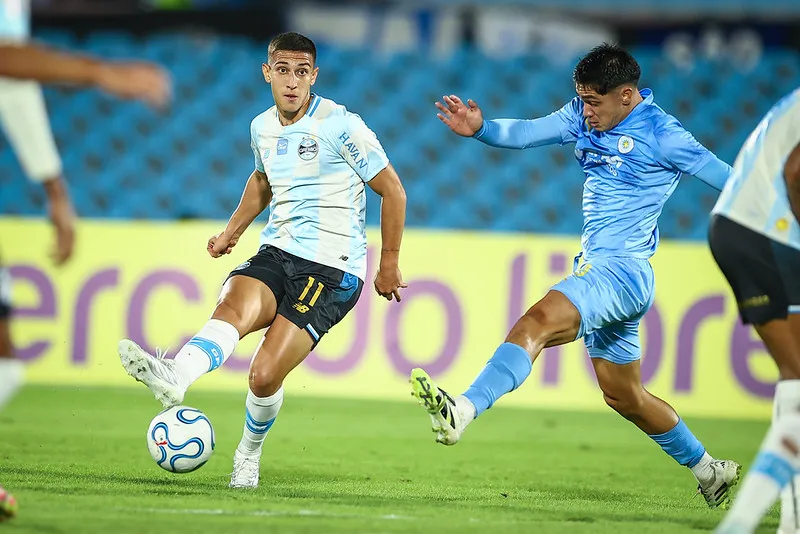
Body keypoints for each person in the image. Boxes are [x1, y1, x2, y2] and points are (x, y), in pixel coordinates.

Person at [410, 43, 740, 508]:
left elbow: (733, 182)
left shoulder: (665, 135)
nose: (585, 112)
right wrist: (481, 129)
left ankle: (462, 409)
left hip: (621, 272)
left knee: (536, 322)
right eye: (582, 99)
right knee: (625, 397)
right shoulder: (581, 115)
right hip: (600, 270)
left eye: (593, 102)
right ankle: (709, 470)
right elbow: (526, 133)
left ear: (626, 96)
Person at [117, 32, 407, 489]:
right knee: (233, 305)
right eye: (283, 70)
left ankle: (247, 456)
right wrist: (230, 233)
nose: (292, 82)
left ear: (314, 76)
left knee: (264, 374)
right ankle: (177, 375)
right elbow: (262, 181)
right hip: (278, 250)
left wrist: (388, 261)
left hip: (332, 268)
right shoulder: (261, 127)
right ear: (266, 72)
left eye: (301, 72)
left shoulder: (341, 125)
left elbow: (392, 190)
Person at [709, 88, 800, 533]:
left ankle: (790, 523)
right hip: (767, 233)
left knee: (796, 377)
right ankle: (743, 525)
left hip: (743, 227)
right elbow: (797, 172)